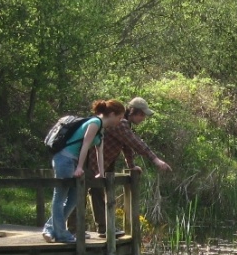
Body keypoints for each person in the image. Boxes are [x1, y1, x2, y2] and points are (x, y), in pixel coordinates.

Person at [87, 96, 172, 237]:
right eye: (142, 115)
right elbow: (135, 143)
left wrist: (131, 166)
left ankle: (104, 228)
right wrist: (155, 160)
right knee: (87, 192)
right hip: (92, 161)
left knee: (96, 192)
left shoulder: (124, 125)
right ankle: (86, 229)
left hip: (103, 163)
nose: (143, 118)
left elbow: (126, 146)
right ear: (133, 112)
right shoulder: (121, 124)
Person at [43, 99, 125, 243]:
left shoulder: (101, 130)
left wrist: (101, 173)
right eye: (119, 118)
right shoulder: (95, 123)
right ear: (112, 114)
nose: (120, 121)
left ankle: (50, 228)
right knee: (60, 196)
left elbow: (100, 152)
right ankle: (61, 234)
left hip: (72, 162)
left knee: (75, 197)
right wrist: (80, 167)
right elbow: (85, 146)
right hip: (64, 159)